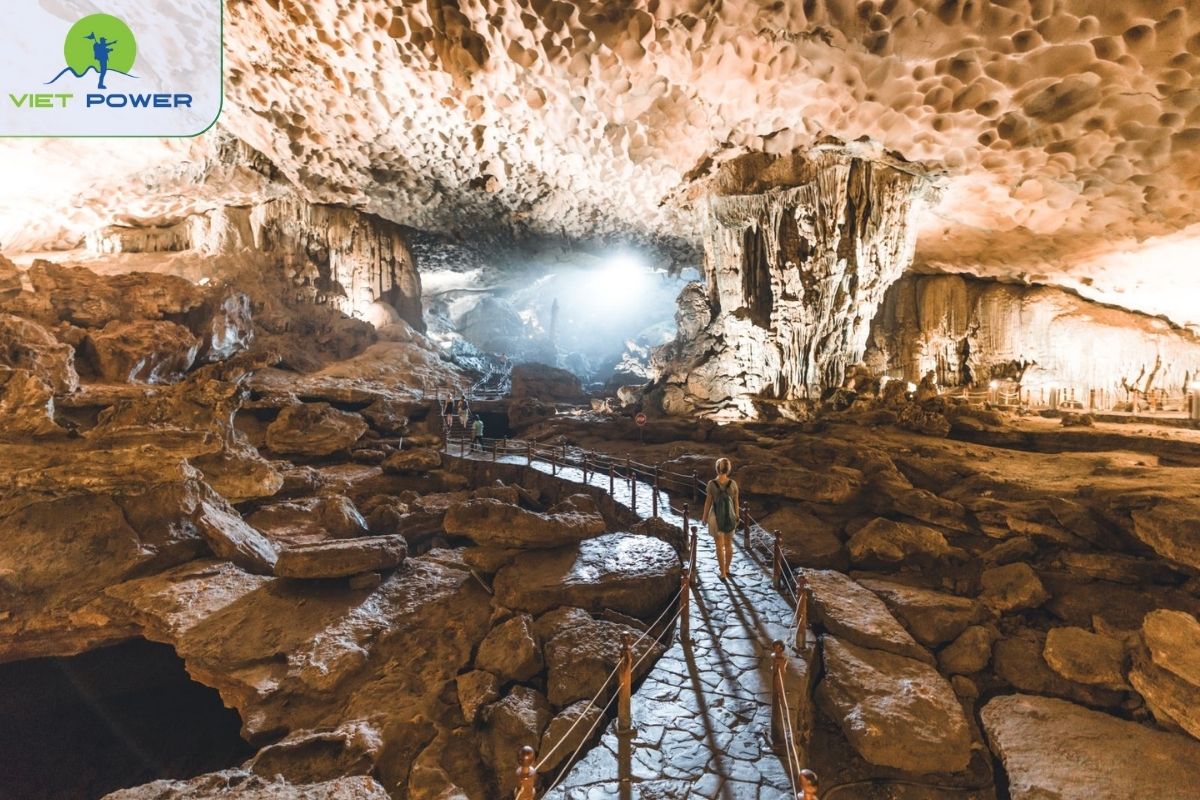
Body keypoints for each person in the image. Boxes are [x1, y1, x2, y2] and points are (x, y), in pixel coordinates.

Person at [701, 458, 739, 580]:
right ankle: (727, 569)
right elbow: (735, 501)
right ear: (728, 469)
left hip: (715, 516)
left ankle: (722, 573)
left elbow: (708, 502)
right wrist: (737, 515)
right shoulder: (733, 484)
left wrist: (704, 517)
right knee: (728, 544)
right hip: (729, 515)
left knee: (719, 546)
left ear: (717, 469)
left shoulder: (711, 484)